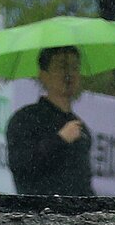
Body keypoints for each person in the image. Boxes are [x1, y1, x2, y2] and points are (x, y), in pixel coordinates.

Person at [6, 45, 93, 198]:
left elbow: (83, 183)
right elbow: (22, 166)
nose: (69, 74)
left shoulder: (80, 127)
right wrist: (60, 140)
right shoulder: (25, 119)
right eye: (61, 67)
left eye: (74, 67)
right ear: (43, 75)